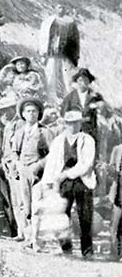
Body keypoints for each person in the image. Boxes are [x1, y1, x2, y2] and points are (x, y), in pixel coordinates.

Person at [42, 110, 96, 258]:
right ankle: (66, 248)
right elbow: (51, 163)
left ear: (80, 123)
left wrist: (67, 173)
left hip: (82, 181)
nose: (73, 126)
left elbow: (87, 164)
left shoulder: (87, 140)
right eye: (70, 123)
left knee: (85, 216)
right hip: (63, 182)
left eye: (76, 123)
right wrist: (49, 181)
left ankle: (87, 250)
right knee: (61, 216)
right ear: (65, 124)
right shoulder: (59, 141)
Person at [9, 97, 51, 244]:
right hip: (22, 170)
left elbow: (52, 154)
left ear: (39, 113)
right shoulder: (20, 132)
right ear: (23, 114)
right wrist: (17, 163)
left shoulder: (44, 132)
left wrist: (38, 165)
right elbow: (14, 151)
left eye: (34, 111)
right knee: (23, 204)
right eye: (28, 111)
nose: (31, 114)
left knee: (37, 204)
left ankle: (37, 237)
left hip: (38, 173)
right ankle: (25, 234)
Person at [39, 5, 80, 103]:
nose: (61, 9)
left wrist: (75, 55)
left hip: (66, 53)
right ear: (54, 9)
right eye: (59, 7)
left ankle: (69, 97)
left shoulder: (70, 22)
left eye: (63, 8)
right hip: (52, 53)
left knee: (67, 76)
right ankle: (51, 98)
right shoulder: (48, 21)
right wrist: (42, 52)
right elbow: (43, 37)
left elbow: (75, 39)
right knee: (51, 74)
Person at [60, 68, 104, 144]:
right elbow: (63, 113)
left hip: (90, 131)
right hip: (74, 131)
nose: (82, 83)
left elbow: (103, 111)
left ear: (89, 82)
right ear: (76, 81)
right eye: (80, 80)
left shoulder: (96, 96)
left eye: (85, 80)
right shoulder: (70, 97)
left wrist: (97, 107)